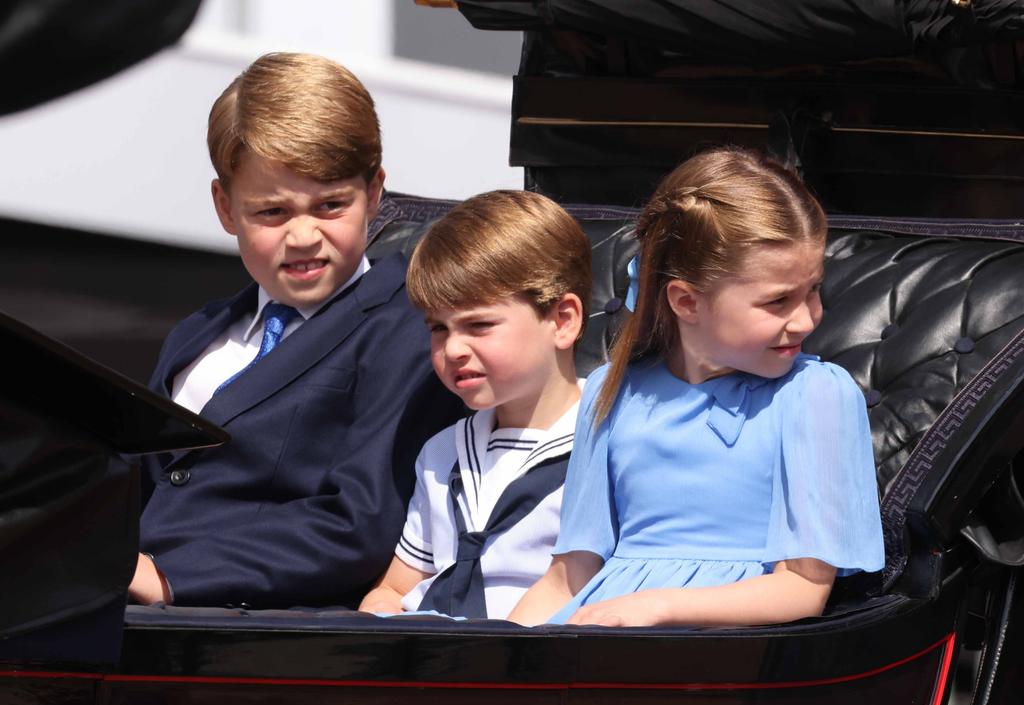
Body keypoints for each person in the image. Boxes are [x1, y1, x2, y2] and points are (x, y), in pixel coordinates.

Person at [129, 52, 463, 608]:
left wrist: (167, 578)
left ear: (375, 193)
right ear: (225, 207)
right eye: (273, 213)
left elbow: (363, 520)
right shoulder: (197, 332)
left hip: (262, 637)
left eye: (331, 205)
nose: (304, 235)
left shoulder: (413, 327)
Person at [508, 148, 884, 627]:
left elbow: (804, 587)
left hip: (722, 655)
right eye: (778, 301)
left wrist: (656, 607)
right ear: (687, 301)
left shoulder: (815, 394)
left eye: (813, 290)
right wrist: (502, 652)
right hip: (601, 638)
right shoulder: (612, 392)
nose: (807, 317)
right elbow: (569, 576)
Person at [359, 190, 591, 619]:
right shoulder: (440, 453)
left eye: (479, 325)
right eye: (439, 329)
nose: (453, 349)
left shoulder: (605, 445)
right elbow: (396, 587)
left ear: (562, 321)